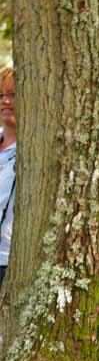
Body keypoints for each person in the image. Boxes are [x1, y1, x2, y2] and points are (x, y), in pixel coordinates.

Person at [0, 67, 16, 290]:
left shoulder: (34, 151)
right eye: (1, 95)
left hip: (6, 261)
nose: (5, 101)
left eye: (13, 94)